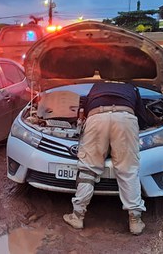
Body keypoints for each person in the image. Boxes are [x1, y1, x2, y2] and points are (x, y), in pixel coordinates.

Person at [63, 81, 156, 235]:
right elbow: (142, 117)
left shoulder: (97, 86)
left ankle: (77, 216)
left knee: (88, 170)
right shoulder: (131, 86)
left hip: (97, 118)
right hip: (125, 119)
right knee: (128, 170)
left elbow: (85, 109)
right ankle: (135, 221)